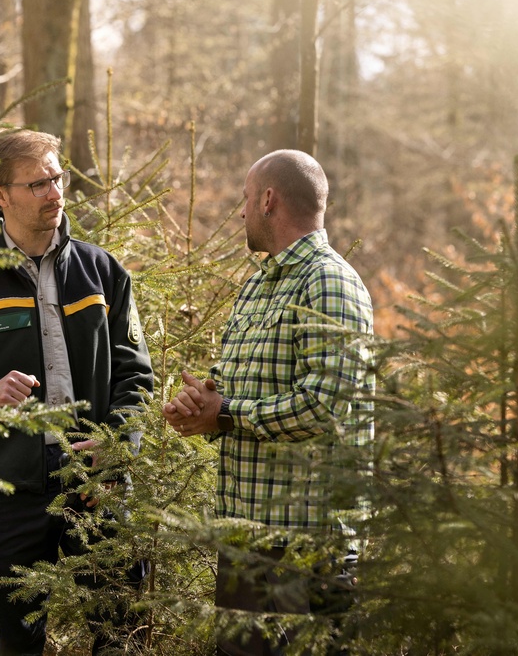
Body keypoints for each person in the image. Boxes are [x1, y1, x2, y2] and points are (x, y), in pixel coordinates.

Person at [0, 129, 154, 655]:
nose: (55, 192)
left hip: (96, 480)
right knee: (16, 643)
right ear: (1, 196)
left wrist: (117, 444)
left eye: (58, 177)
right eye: (38, 183)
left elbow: (136, 377)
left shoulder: (103, 272)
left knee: (121, 633)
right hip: (5, 490)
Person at [162, 150, 374, 656]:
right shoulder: (259, 284)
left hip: (307, 542)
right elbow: (238, 379)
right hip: (248, 533)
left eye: (244, 198)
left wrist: (227, 415)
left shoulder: (329, 281)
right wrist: (199, 403)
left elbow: (326, 404)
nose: (240, 212)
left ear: (268, 199)